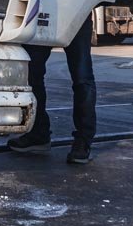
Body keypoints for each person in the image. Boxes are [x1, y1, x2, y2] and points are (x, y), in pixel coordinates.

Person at [7, 17, 96, 164]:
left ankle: (82, 140)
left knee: (81, 78)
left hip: (69, 11)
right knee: (32, 73)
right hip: (53, 12)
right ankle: (39, 135)